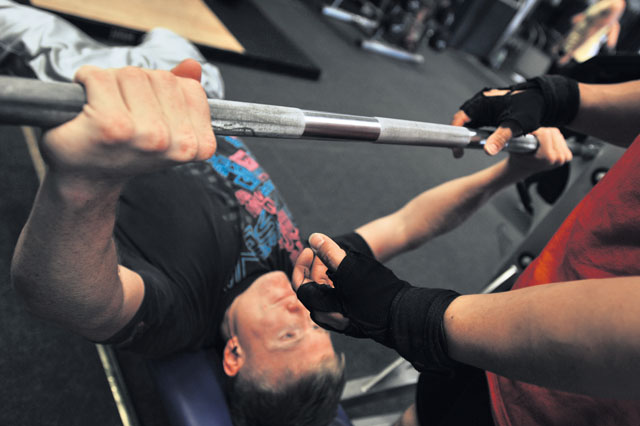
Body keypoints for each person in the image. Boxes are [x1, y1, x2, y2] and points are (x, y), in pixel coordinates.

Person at [10, 60, 573, 424]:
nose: (301, 309)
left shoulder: (183, 314)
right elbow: (409, 225)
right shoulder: (302, 274)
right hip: (207, 99)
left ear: (233, 355)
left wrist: (87, 182)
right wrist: (505, 177)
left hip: (123, 103)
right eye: (313, 326)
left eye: (285, 333)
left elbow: (69, 299)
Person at [292, 74, 640, 426]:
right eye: (297, 331)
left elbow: (404, 226)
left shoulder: (293, 271)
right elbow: (404, 227)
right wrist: (561, 100)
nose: (298, 317)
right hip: (503, 334)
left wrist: (413, 317)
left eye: (294, 332)